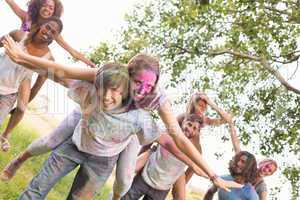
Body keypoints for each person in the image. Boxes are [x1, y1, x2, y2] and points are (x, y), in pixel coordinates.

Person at [2, 39, 243, 194]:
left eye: (149, 85)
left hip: (119, 137)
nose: (142, 89)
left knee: (124, 179)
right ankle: (18, 160)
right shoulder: (110, 76)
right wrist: (23, 58)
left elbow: (177, 137)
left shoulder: (155, 98)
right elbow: (61, 72)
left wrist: (211, 173)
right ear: (127, 76)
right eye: (137, 82)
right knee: (50, 142)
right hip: (90, 119)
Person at [0, 17, 63, 152]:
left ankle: (6, 135)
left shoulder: (49, 60)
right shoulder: (18, 35)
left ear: (55, 37)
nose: (48, 32)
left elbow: (36, 87)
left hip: (8, 95)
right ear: (41, 25)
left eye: (53, 32)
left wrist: (20, 107)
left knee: (22, 109)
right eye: (47, 27)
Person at [121, 114, 207, 200]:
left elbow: (192, 169)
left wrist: (179, 186)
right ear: (184, 122)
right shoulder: (169, 133)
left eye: (195, 128)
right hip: (145, 177)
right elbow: (150, 140)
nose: (190, 129)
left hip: (161, 190)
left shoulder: (193, 151)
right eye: (189, 124)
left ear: (197, 133)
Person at [4, 0, 95, 67]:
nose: (47, 9)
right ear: (39, 6)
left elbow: (72, 51)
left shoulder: (51, 30)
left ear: (54, 12)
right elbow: (10, 2)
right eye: (44, 5)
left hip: (24, 64)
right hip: (10, 57)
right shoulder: (27, 18)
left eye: (51, 8)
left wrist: (90, 63)